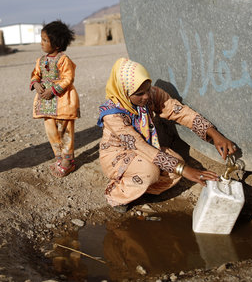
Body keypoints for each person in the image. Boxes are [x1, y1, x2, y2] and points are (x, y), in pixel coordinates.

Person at [97, 58, 236, 212]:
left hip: (144, 151)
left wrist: (214, 134)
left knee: (175, 165)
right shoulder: (113, 115)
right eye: (140, 93)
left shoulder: (151, 96)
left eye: (148, 89)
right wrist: (186, 170)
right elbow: (140, 146)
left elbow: (179, 111)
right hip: (118, 156)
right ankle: (117, 195)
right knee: (151, 171)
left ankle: (142, 189)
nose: (147, 96)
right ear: (125, 92)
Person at [30, 20, 80, 177]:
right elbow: (35, 74)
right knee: (51, 131)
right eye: (42, 39)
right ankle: (59, 157)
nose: (41, 43)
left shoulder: (64, 60)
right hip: (46, 104)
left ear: (57, 44)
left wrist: (53, 90)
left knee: (65, 131)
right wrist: (35, 83)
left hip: (63, 101)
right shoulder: (41, 60)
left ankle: (68, 161)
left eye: (45, 40)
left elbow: (68, 78)